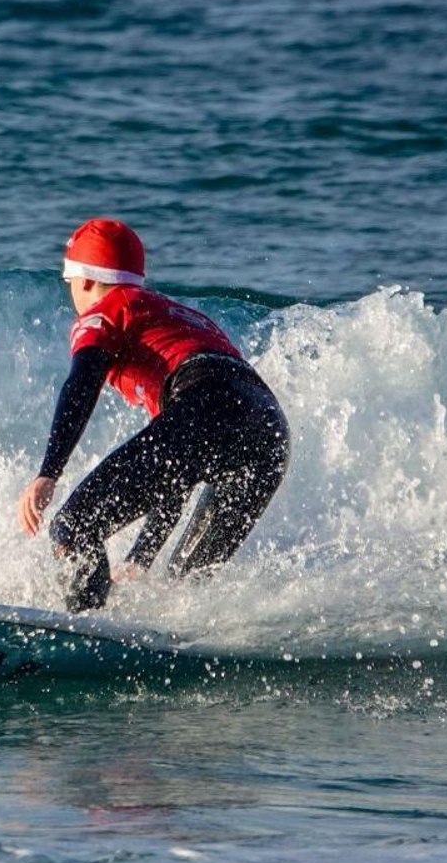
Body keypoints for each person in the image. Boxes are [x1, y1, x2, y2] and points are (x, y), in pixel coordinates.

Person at [16, 218, 290, 612]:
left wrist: (49, 472)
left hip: (207, 401)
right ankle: (168, 639)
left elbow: (81, 383)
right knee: (185, 585)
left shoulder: (107, 310)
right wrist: (140, 559)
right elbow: (175, 471)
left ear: (87, 280)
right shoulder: (178, 318)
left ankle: (83, 631)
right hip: (269, 431)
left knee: (72, 528)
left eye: (70, 282)